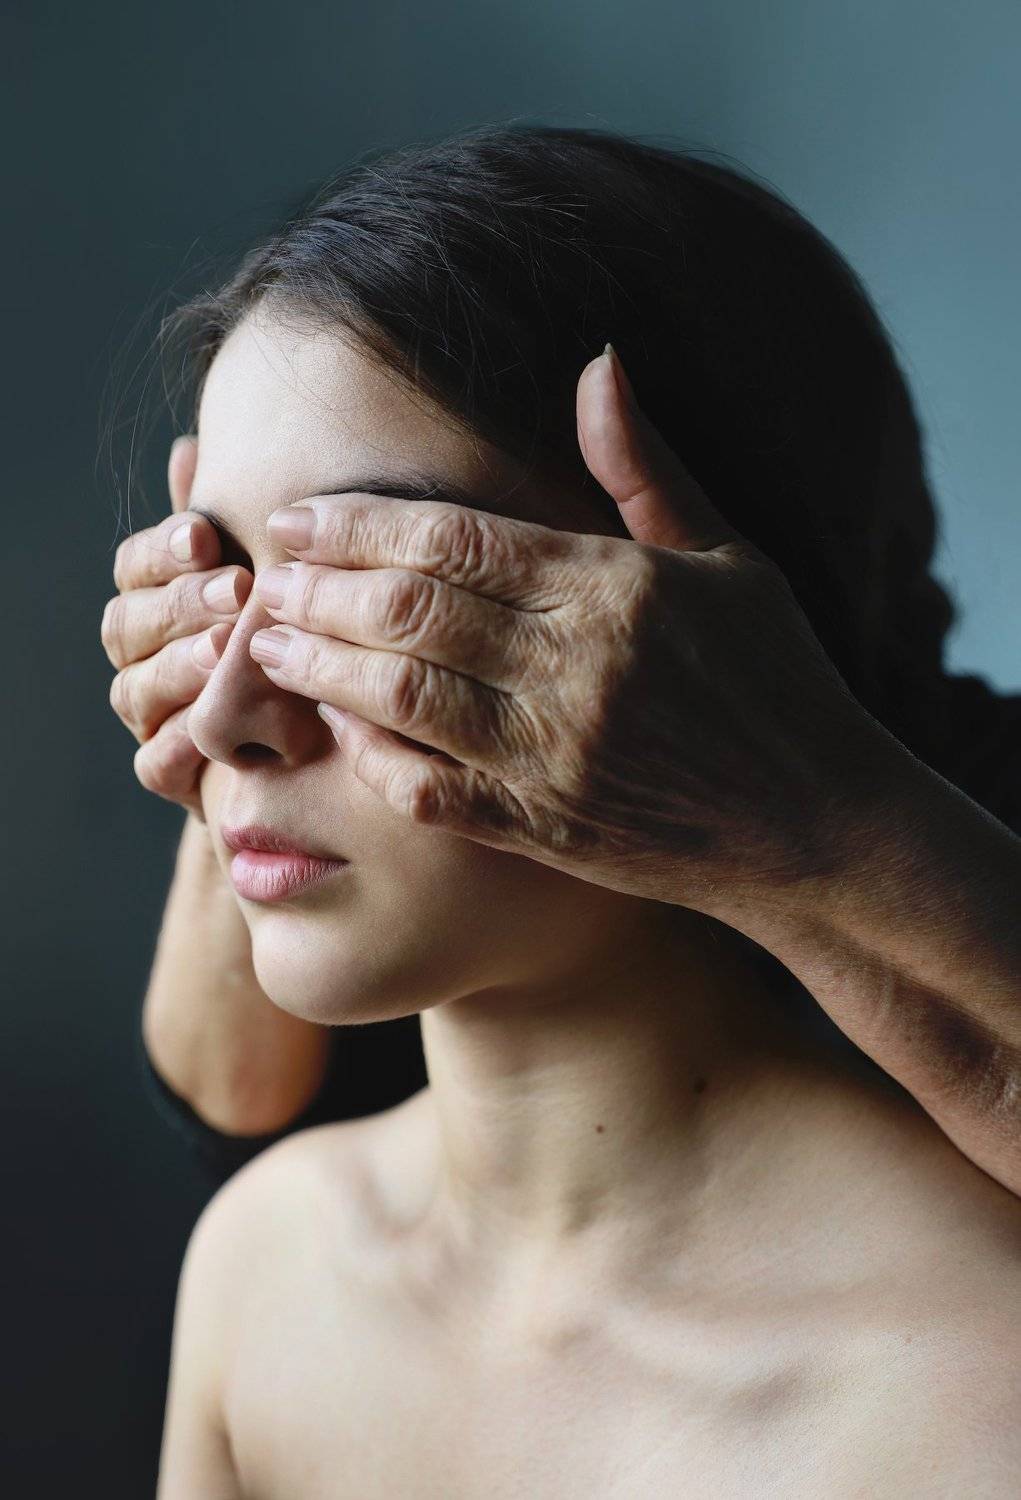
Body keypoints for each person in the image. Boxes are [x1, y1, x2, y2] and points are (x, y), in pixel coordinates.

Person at [104, 124, 1020, 1493]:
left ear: (715, 651)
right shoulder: (260, 1268)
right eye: (221, 576)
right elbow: (236, 1081)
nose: (227, 711)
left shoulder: (969, 1381)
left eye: (384, 596)